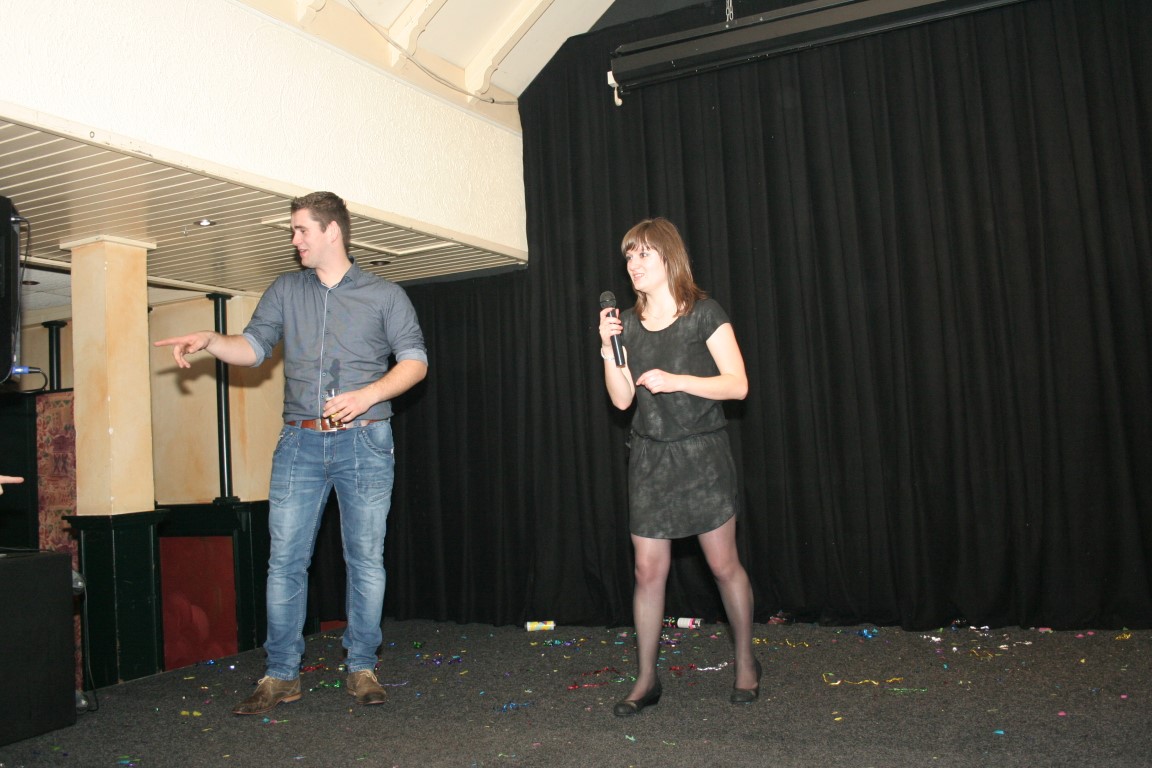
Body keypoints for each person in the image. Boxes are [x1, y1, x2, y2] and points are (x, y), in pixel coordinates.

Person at [155, 191, 428, 715]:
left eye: (302, 230)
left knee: (365, 558)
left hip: (365, 440)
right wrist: (211, 340)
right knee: (284, 561)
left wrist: (367, 395)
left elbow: (415, 362)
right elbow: (252, 349)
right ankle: (281, 674)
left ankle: (362, 666)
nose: (294, 239)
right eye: (294, 230)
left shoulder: (385, 295)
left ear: (332, 231)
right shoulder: (285, 290)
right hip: (299, 442)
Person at [598, 217, 758, 716]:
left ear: (669, 258)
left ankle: (746, 662)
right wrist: (607, 350)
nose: (634, 264)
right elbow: (621, 400)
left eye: (644, 253)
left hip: (701, 456)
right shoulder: (625, 324)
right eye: (629, 256)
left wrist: (678, 380)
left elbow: (737, 385)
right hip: (650, 458)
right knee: (647, 571)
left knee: (723, 565)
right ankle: (647, 678)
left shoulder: (704, 313)